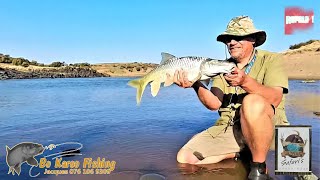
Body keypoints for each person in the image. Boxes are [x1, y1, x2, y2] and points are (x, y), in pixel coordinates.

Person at [172, 15, 289, 180]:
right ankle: (242, 151)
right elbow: (214, 104)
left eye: (238, 37)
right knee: (185, 158)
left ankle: (259, 169)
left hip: (267, 129)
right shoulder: (222, 67)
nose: (231, 42)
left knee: (251, 101)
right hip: (231, 129)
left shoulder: (271, 60)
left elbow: (275, 98)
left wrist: (245, 82)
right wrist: (195, 84)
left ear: (254, 39)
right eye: (228, 38)